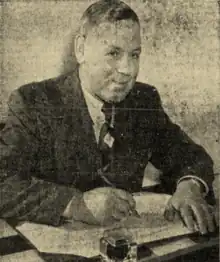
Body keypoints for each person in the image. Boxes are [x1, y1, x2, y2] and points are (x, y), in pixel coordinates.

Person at [0, 0, 217, 234]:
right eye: (113, 53)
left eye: (134, 55)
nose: (127, 69)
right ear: (81, 49)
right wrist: (75, 205)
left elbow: (190, 155)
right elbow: (4, 182)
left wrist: (190, 187)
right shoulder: (33, 102)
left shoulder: (143, 100)